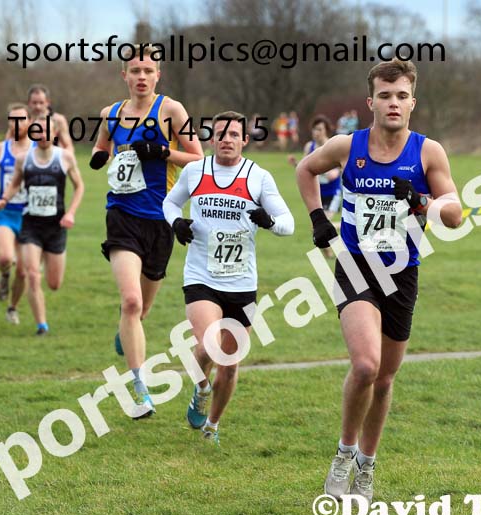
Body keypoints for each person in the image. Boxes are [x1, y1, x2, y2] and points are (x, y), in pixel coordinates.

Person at [296, 60, 463, 503]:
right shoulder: (347, 145)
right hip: (355, 267)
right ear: (371, 102)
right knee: (366, 365)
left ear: (413, 102)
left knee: (386, 378)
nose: (393, 103)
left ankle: (366, 468)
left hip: (402, 273)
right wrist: (317, 219)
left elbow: (456, 212)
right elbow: (305, 171)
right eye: (385, 96)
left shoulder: (429, 153)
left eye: (401, 95)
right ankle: (344, 452)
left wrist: (424, 201)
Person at [164, 111, 295, 446]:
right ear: (212, 138)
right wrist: (176, 223)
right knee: (209, 343)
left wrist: (268, 222)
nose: (226, 139)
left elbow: (288, 223)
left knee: (231, 364)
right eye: (220, 133)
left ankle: (212, 425)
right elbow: (169, 203)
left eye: (234, 134)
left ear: (244, 140)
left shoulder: (258, 177)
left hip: (241, 282)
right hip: (201, 275)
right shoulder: (195, 171)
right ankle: (201, 389)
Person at [90, 45, 204, 419]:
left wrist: (161, 152)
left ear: (158, 76)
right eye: (134, 70)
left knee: (144, 308)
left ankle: (127, 332)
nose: (141, 76)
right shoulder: (111, 114)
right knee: (132, 302)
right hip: (121, 214)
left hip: (160, 218)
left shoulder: (172, 111)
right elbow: (102, 145)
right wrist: (99, 155)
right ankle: (139, 390)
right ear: (124, 75)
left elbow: (199, 158)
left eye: (148, 70)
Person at [0, 117, 84, 335]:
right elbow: (15, 183)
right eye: (38, 131)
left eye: (47, 131)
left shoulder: (64, 157)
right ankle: (41, 325)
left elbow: (79, 186)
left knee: (54, 283)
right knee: (32, 274)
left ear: (54, 133)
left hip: (56, 226)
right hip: (31, 224)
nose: (42, 135)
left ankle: (46, 269)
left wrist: (70, 213)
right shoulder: (24, 159)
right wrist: (4, 198)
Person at [0, 103, 33, 323]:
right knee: (6, 257)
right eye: (12, 120)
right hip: (5, 212)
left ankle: (12, 308)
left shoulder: (38, 148)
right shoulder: (0, 148)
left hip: (30, 214)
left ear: (29, 122)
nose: (17, 124)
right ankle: (4, 275)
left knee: (24, 272)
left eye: (21, 119)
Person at [287, 115, 341, 258]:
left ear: (326, 130)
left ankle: (345, 225)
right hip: (316, 192)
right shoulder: (309, 146)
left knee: (326, 222)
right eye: (314, 129)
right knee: (316, 227)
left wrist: (336, 171)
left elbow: (342, 166)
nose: (316, 132)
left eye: (319, 129)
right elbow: (304, 168)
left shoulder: (333, 146)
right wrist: (295, 164)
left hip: (332, 192)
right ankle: (329, 255)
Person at [26, 84, 74, 153]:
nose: (38, 106)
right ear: (28, 103)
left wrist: (66, 161)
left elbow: (68, 146)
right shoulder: (23, 120)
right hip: (30, 160)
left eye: (41, 103)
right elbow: (9, 143)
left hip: (52, 160)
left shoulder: (58, 120)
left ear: (48, 102)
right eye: (34, 103)